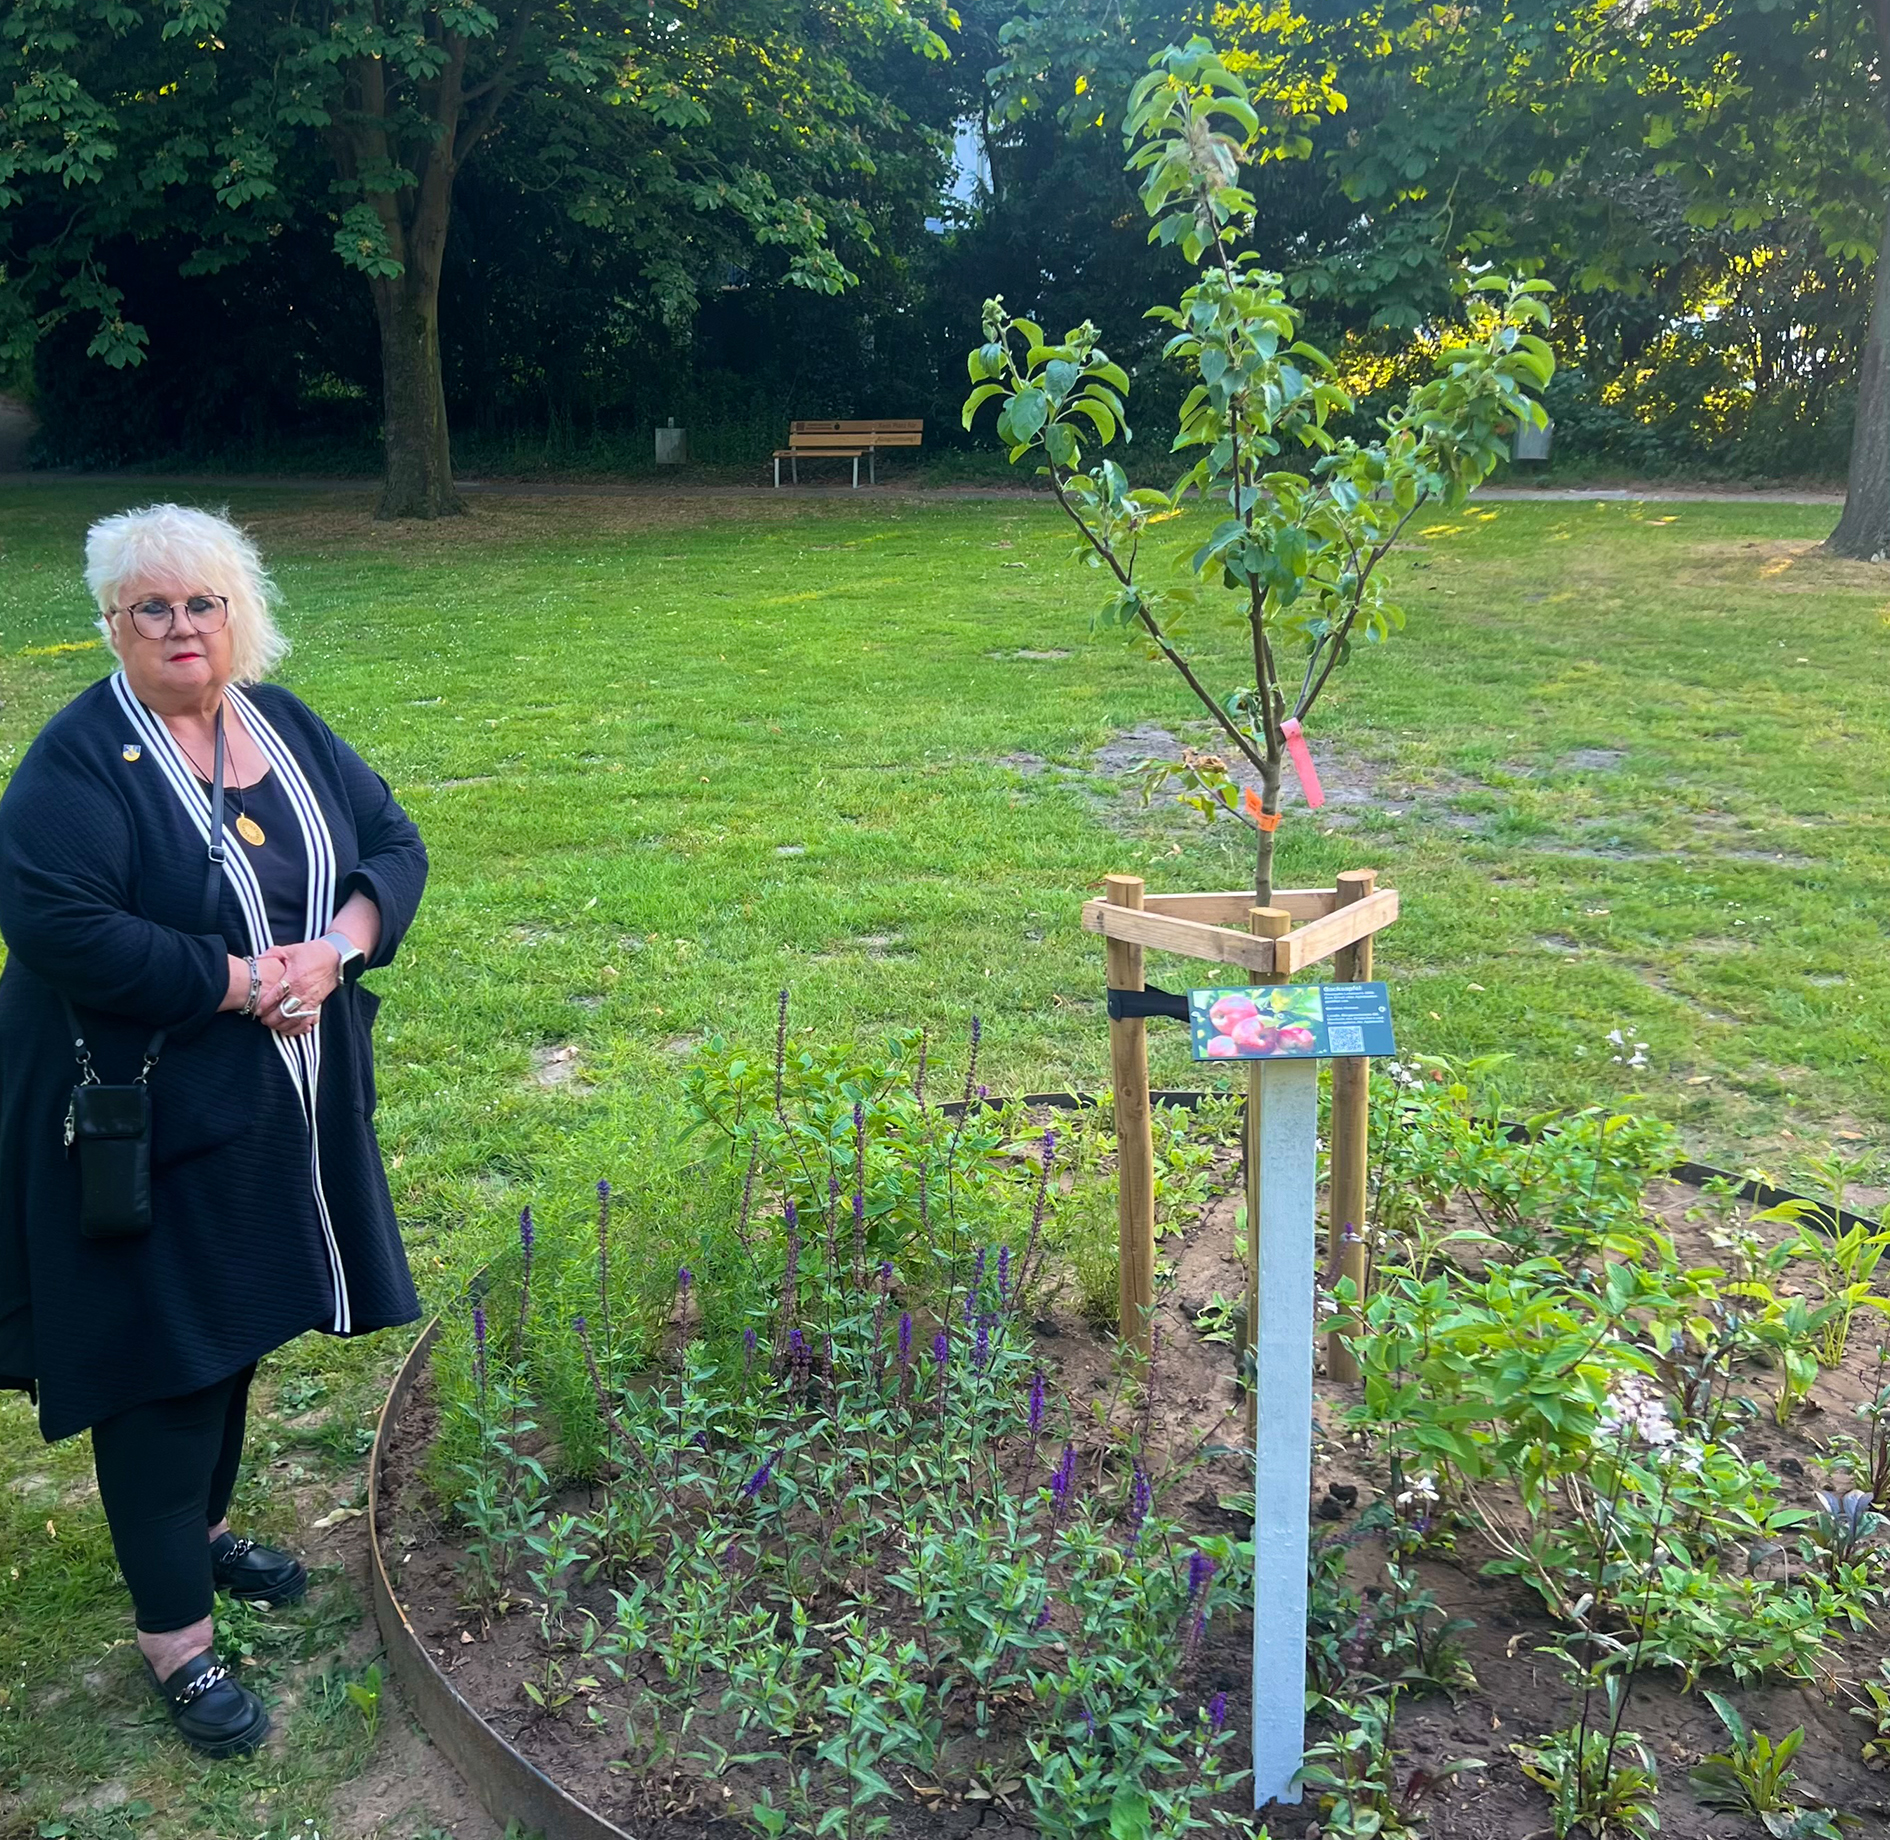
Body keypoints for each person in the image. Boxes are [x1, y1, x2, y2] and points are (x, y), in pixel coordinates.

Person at [0, 504, 428, 1757]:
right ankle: (173, 1640)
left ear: (238, 614)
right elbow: (65, 928)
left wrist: (337, 949)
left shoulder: (282, 726)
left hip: (272, 1105)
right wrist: (242, 980)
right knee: (157, 1363)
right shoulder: (78, 764)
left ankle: (191, 1530)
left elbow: (392, 845)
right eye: (153, 608)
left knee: (232, 1327)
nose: (183, 627)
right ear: (112, 625)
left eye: (204, 604)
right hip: (129, 1113)